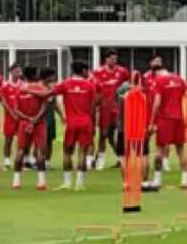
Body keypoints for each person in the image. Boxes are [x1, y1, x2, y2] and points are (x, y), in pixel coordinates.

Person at [54, 61, 99, 190]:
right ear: (84, 71)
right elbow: (93, 105)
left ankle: (67, 183)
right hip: (86, 121)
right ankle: (79, 184)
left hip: (71, 122)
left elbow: (51, 93)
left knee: (67, 152)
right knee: (82, 153)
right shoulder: (90, 85)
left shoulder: (65, 84)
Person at [148, 61, 186, 190]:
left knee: (159, 150)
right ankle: (185, 180)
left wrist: (152, 122)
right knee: (181, 150)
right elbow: (183, 98)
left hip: (165, 119)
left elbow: (157, 102)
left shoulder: (160, 81)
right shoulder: (180, 80)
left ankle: (157, 180)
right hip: (179, 118)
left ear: (156, 73)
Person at [12, 65, 52, 190]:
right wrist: (34, 120)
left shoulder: (19, 89)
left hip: (24, 123)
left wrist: (27, 119)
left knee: (20, 151)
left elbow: (15, 110)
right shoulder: (41, 88)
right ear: (35, 75)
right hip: (38, 123)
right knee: (40, 151)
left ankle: (16, 182)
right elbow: (45, 107)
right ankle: (41, 182)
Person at [92, 50, 130, 169]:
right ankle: (100, 162)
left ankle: (122, 159)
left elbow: (128, 86)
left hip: (119, 108)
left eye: (115, 59)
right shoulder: (97, 72)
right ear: (106, 59)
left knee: (120, 135)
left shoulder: (122, 71)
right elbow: (94, 90)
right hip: (105, 108)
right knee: (103, 135)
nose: (114, 61)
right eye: (112, 59)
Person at [0, 64, 25, 173]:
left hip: (21, 117)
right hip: (10, 117)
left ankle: (20, 162)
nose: (19, 73)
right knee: (8, 140)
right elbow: (3, 101)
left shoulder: (23, 85)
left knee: (22, 141)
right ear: (11, 72)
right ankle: (6, 162)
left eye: (20, 71)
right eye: (16, 71)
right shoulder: (5, 85)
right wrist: (12, 113)